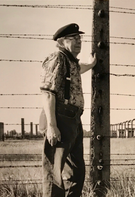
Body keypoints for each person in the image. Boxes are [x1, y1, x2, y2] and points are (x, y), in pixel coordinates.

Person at [40, 23, 96, 197]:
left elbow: (79, 69)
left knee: (77, 173)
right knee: (55, 173)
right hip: (60, 117)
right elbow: (48, 92)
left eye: (80, 38)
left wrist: (92, 63)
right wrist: (52, 125)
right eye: (74, 39)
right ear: (62, 41)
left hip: (73, 119)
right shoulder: (58, 58)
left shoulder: (70, 61)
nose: (79, 41)